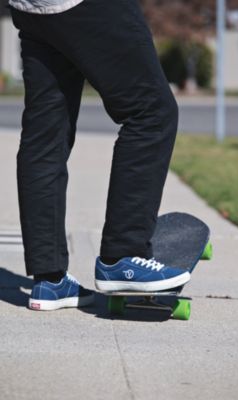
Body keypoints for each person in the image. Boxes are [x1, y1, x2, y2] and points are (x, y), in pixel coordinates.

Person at [9, 0, 191, 311]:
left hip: (32, 7)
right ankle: (123, 257)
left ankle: (49, 280)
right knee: (151, 112)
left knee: (45, 134)